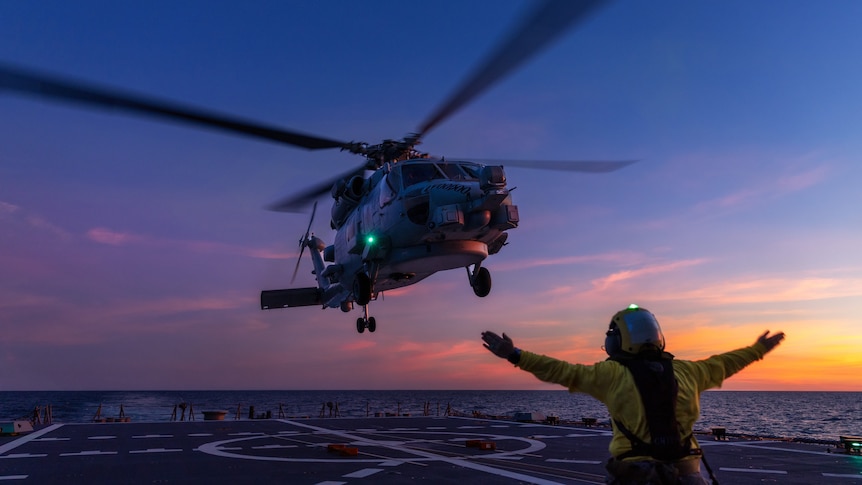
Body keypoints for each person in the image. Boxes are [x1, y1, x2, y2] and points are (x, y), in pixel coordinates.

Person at [481, 304, 785, 485]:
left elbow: (561, 371)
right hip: (688, 473)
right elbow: (727, 362)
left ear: (618, 340)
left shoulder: (611, 375)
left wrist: (515, 355)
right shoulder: (690, 371)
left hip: (635, 476)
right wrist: (759, 349)